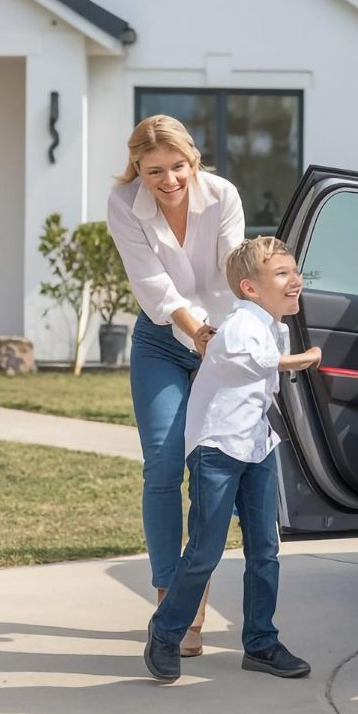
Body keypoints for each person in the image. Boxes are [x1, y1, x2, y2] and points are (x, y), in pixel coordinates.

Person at [143, 237, 322, 683]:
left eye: (294, 271)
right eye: (282, 274)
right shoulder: (242, 321)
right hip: (218, 449)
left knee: (265, 547)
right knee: (205, 549)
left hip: (255, 446)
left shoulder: (273, 324)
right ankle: (165, 633)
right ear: (250, 287)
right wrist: (305, 358)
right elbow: (247, 360)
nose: (295, 280)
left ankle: (261, 642)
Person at [107, 115, 245, 657]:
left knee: (208, 472)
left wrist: (232, 339)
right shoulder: (124, 204)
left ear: (194, 160)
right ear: (137, 167)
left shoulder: (222, 195)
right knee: (162, 466)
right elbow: (153, 286)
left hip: (221, 342)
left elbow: (235, 272)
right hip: (165, 341)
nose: (168, 180)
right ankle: (172, 604)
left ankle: (193, 597)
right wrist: (196, 333)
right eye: (154, 170)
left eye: (177, 167)